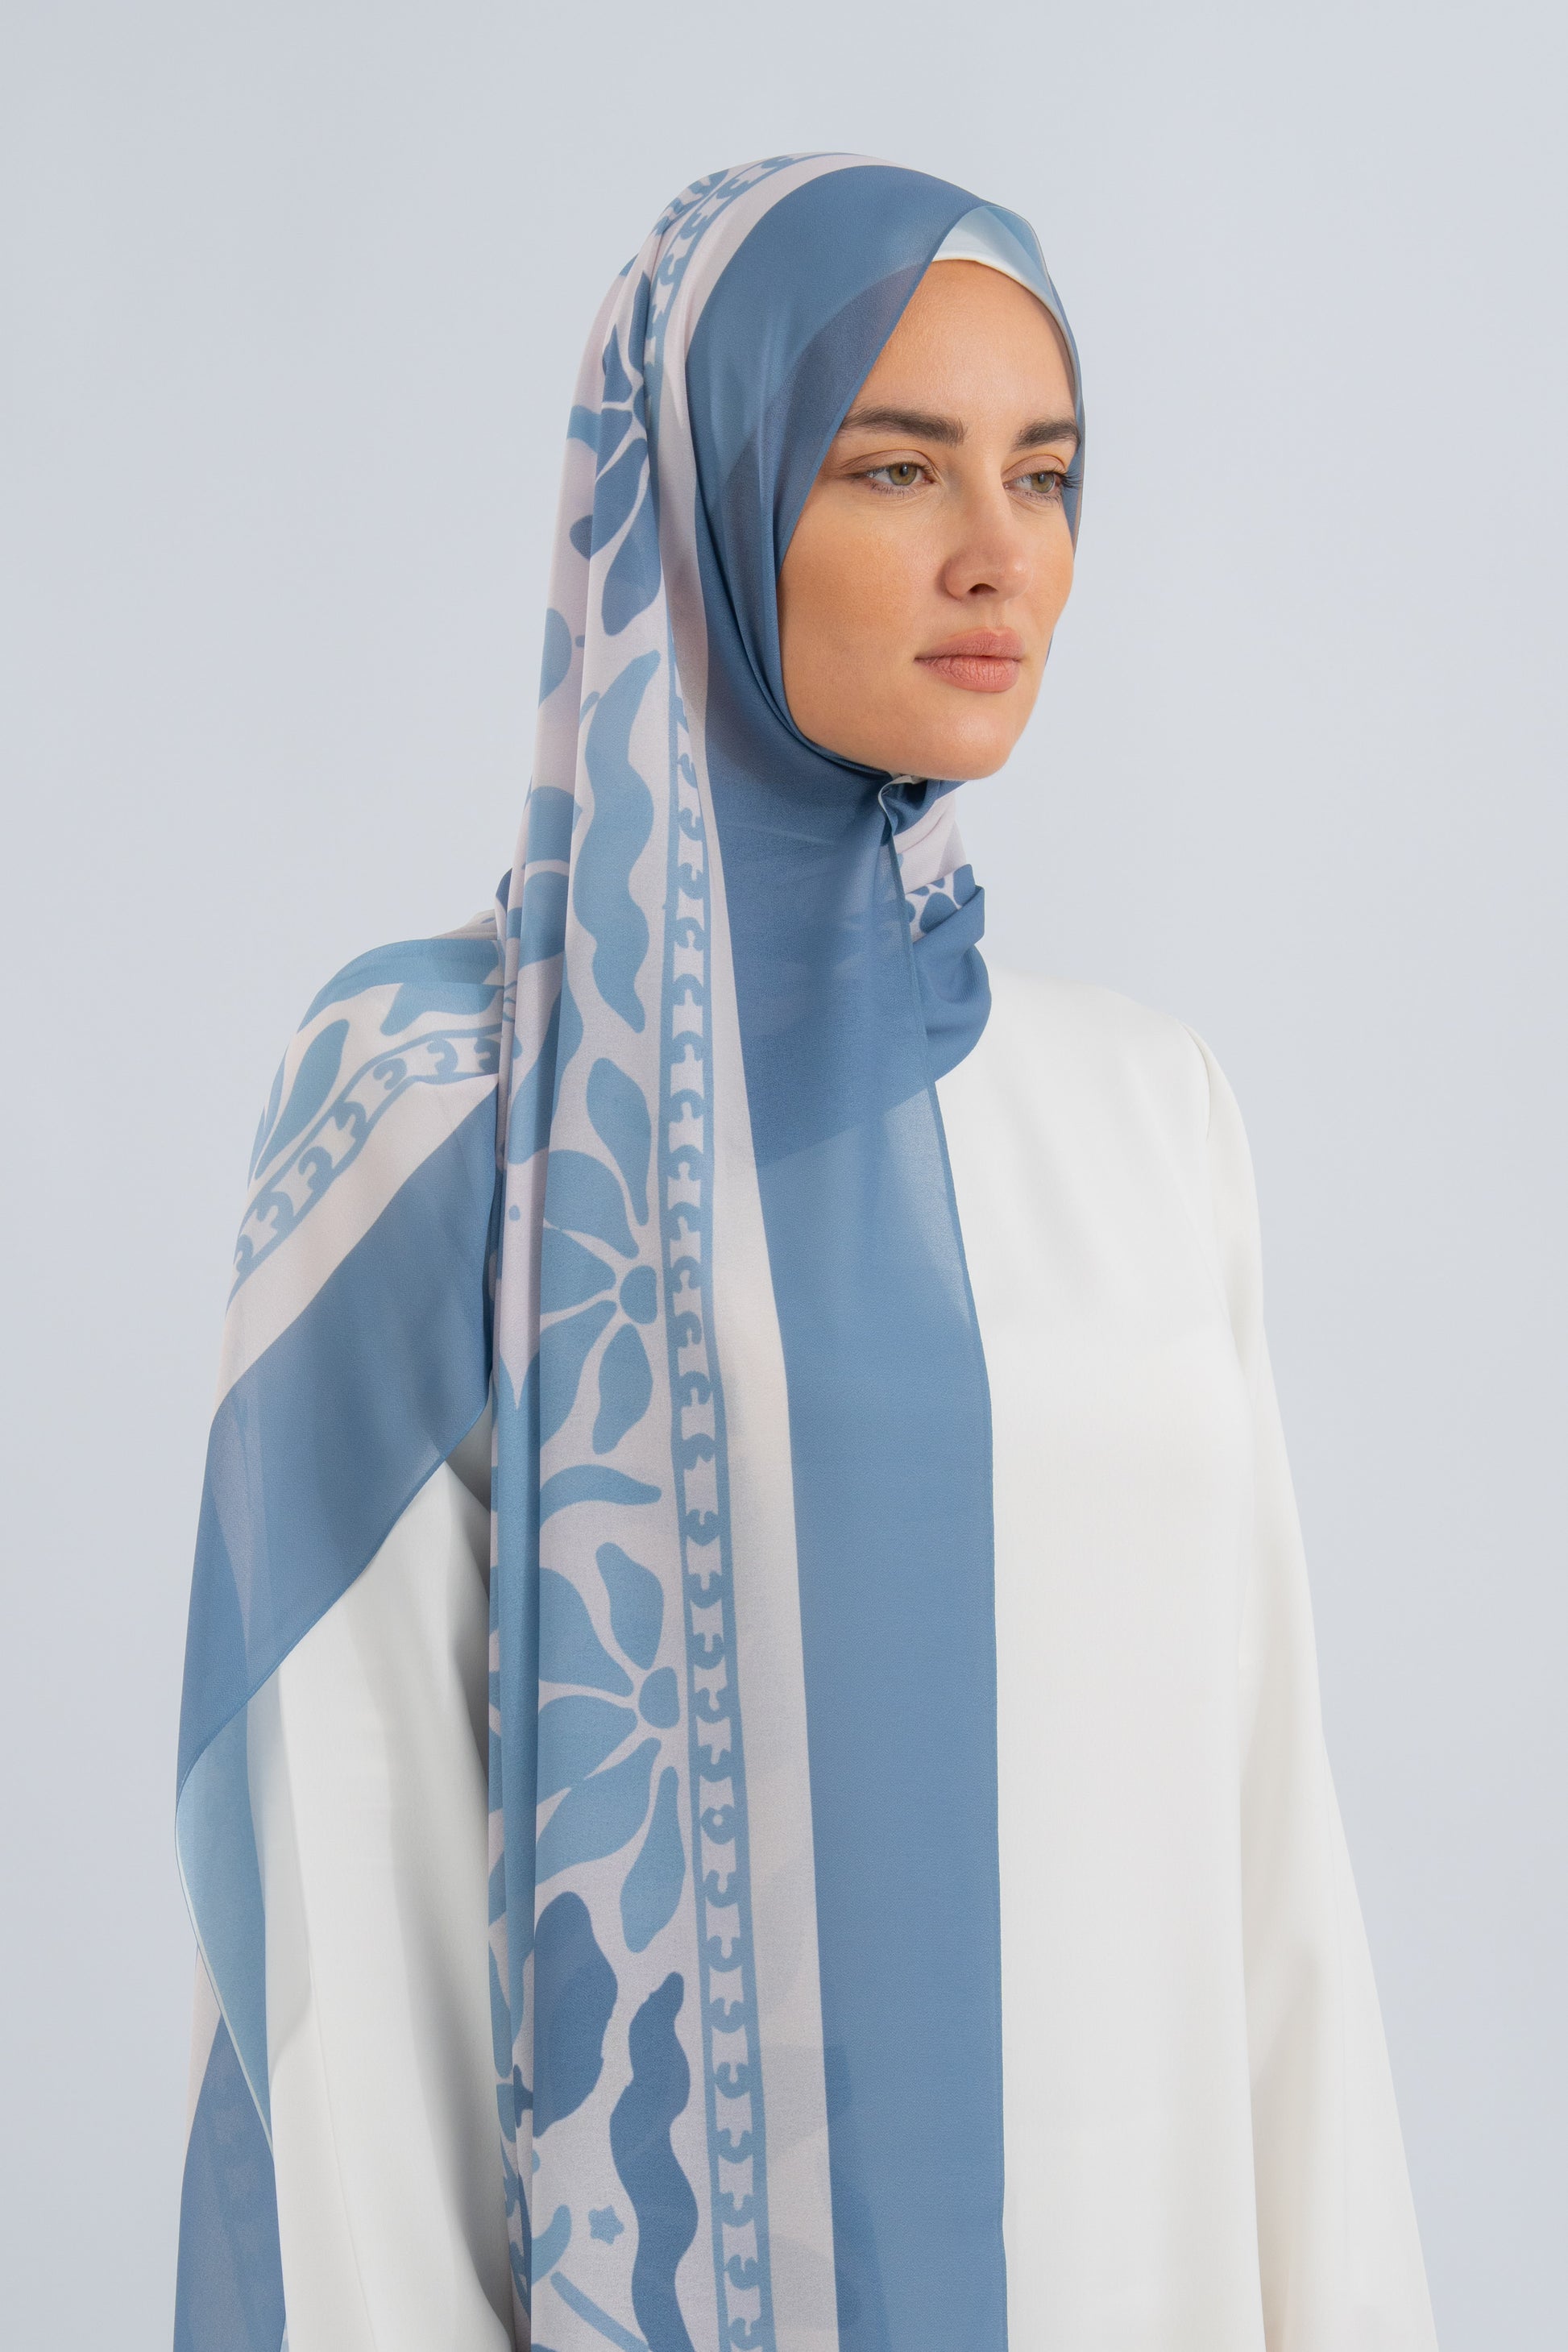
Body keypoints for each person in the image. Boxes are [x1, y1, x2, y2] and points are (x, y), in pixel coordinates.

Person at [172, 156, 1441, 2352]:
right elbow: (342, 1957)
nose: (997, 551)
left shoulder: (1149, 1115)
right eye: (895, 465)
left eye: (1046, 474)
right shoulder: (445, 1102)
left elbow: (1274, 1896)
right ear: (704, 493)